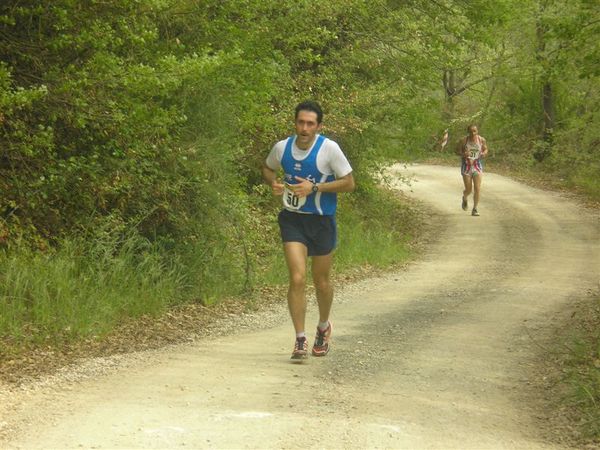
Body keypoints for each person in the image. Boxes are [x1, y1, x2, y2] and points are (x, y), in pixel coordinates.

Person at [262, 100, 355, 360]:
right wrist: (275, 183)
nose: (304, 128)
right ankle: (300, 339)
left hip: (322, 221)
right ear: (295, 123)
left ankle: (323, 327)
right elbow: (267, 169)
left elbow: (349, 183)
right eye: (301, 122)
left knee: (321, 282)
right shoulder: (282, 148)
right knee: (297, 278)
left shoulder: (329, 149)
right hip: (293, 220)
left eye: (310, 124)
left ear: (318, 126)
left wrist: (315, 188)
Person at [458, 124, 488, 216]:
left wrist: (484, 153)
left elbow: (486, 149)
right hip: (466, 166)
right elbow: (457, 151)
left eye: (474, 131)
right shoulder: (464, 140)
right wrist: (464, 154)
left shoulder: (481, 140)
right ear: (468, 132)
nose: (472, 133)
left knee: (477, 188)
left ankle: (475, 209)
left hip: (477, 166)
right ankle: (465, 197)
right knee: (468, 189)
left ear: (477, 131)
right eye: (471, 131)